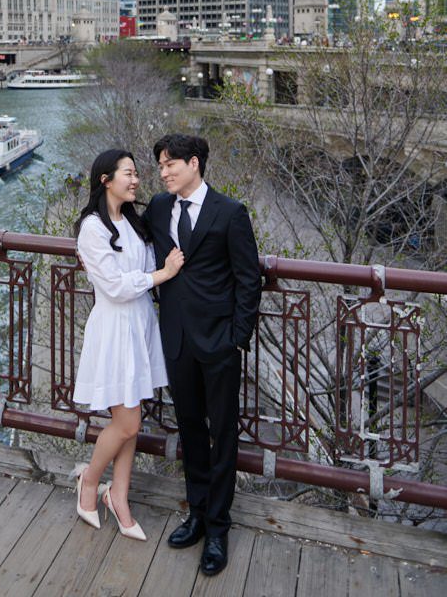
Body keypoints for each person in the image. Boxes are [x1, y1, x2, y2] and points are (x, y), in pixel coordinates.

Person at [144, 134, 261, 577]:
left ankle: (217, 526)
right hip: (175, 339)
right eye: (159, 166)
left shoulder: (230, 213)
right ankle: (195, 512)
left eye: (171, 164)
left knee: (223, 432)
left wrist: (237, 337)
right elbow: (117, 222)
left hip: (219, 344)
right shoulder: (158, 207)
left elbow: (248, 279)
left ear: (195, 163)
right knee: (190, 427)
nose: (164, 172)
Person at [72, 148, 185, 540]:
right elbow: (117, 287)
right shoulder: (92, 228)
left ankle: (118, 497)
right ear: (105, 179)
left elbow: (140, 271)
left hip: (139, 326)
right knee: (128, 421)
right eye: (128, 174)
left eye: (136, 173)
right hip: (115, 329)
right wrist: (162, 274)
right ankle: (90, 481)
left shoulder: (133, 224)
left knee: (131, 422)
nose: (136, 180)